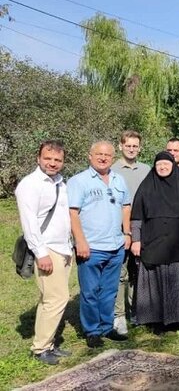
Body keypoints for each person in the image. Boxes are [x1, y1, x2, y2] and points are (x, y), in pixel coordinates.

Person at [68, 141, 131, 348]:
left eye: (108, 155)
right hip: (91, 247)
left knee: (109, 291)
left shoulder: (118, 180)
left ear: (113, 157)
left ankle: (106, 327)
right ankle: (92, 330)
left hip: (115, 245)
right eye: (99, 154)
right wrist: (80, 241)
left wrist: (127, 233)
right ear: (90, 156)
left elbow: (125, 207)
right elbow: (73, 213)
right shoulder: (79, 181)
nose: (103, 158)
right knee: (90, 291)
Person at [15, 140, 73, 365]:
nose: (52, 163)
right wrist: (41, 254)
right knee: (57, 298)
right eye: (48, 159)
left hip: (63, 247)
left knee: (51, 298)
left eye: (57, 160)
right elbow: (29, 223)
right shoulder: (30, 185)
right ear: (38, 158)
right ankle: (40, 348)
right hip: (47, 248)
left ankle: (48, 343)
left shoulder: (59, 182)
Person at [130, 152, 179, 332]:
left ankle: (178, 319)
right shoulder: (146, 186)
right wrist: (136, 240)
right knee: (153, 281)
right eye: (159, 165)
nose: (163, 167)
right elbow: (136, 216)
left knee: (176, 280)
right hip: (152, 241)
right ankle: (155, 320)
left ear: (173, 165)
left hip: (177, 242)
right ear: (155, 166)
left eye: (166, 164)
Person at [110, 130, 150, 335]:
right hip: (118, 230)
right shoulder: (112, 170)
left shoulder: (146, 170)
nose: (132, 149)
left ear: (140, 148)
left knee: (139, 273)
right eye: (128, 146)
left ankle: (137, 309)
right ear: (121, 146)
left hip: (142, 229)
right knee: (121, 274)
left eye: (135, 146)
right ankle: (119, 315)